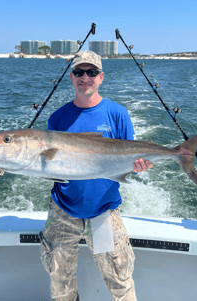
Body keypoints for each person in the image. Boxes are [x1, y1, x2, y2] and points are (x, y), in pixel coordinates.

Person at [39, 50, 152, 301]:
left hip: (104, 210)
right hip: (63, 210)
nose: (85, 77)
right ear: (71, 77)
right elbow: (52, 166)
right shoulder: (57, 117)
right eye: (79, 72)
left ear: (101, 77)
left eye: (91, 72)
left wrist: (138, 166)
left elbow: (129, 154)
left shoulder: (117, 113)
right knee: (60, 283)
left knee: (120, 280)